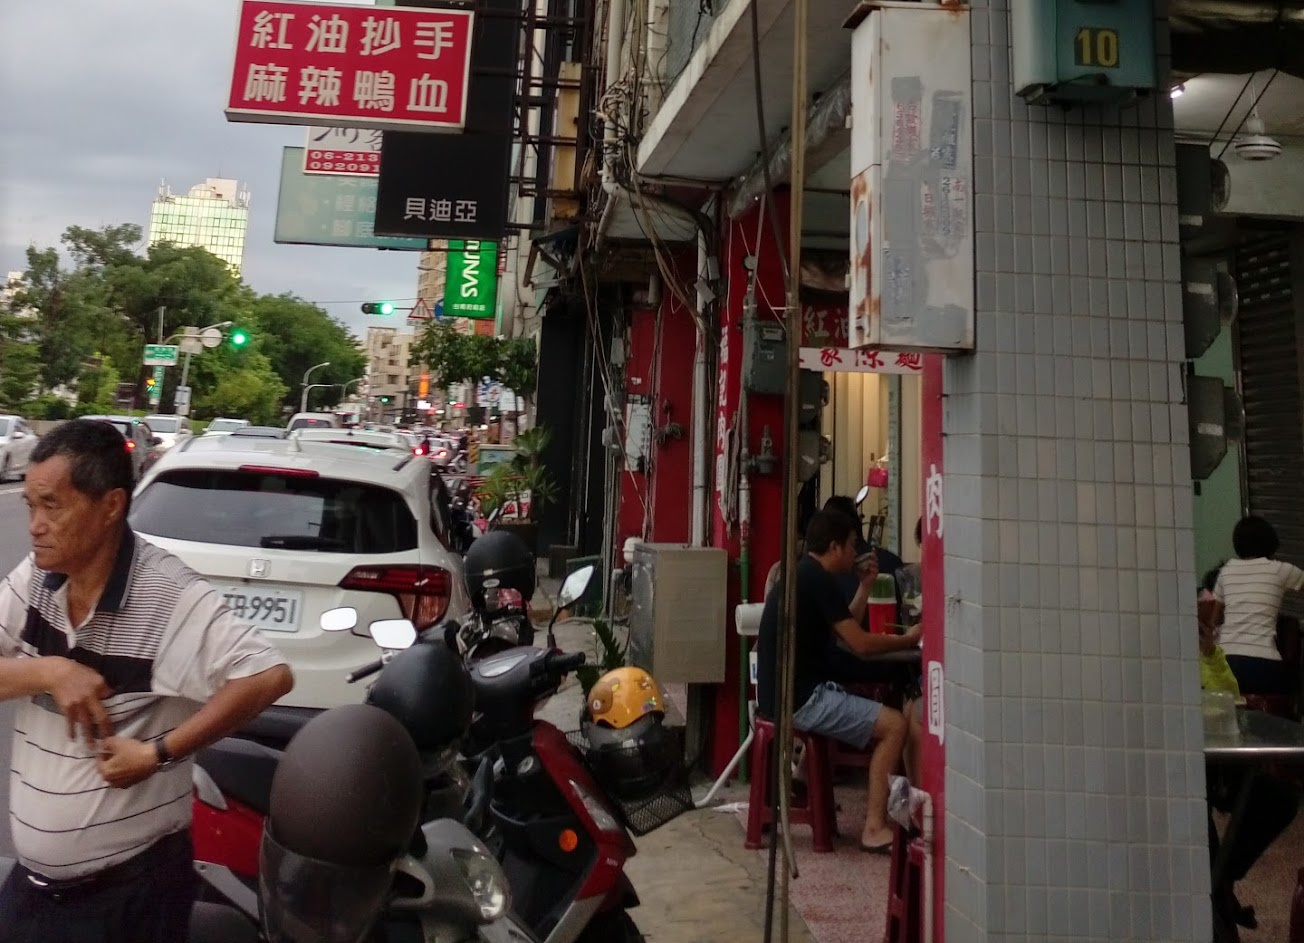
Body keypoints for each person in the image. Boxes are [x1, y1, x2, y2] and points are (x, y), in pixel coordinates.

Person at [0, 419, 295, 942]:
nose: (35, 526)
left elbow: (268, 676)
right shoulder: (37, 579)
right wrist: (49, 671)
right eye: (30, 506)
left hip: (128, 895)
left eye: (52, 506)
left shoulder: (167, 597)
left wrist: (157, 753)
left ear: (111, 506)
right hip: (36, 889)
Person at [756, 510, 921, 852]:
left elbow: (847, 630)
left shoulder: (808, 573)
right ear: (835, 547)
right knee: (895, 725)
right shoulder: (816, 579)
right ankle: (874, 829)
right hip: (800, 700)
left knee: (868, 708)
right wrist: (910, 638)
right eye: (852, 545)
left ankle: (805, 778)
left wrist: (865, 585)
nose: (855, 552)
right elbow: (861, 645)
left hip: (784, 694)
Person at [1210, 515, 1304, 695]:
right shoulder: (1280, 569)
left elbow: (1214, 620)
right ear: (1271, 542)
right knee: (1292, 683)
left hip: (1226, 662)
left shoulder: (1226, 571)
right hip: (1263, 664)